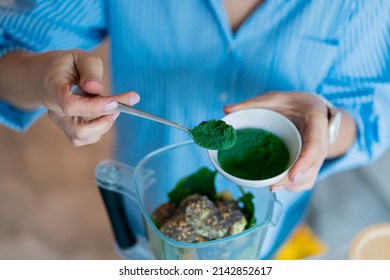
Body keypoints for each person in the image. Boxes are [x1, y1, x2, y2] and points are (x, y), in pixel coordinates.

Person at [0, 0, 389, 259]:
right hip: (150, 218)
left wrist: (327, 123)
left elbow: (370, 119)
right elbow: (9, 56)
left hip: (268, 233)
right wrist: (42, 79)